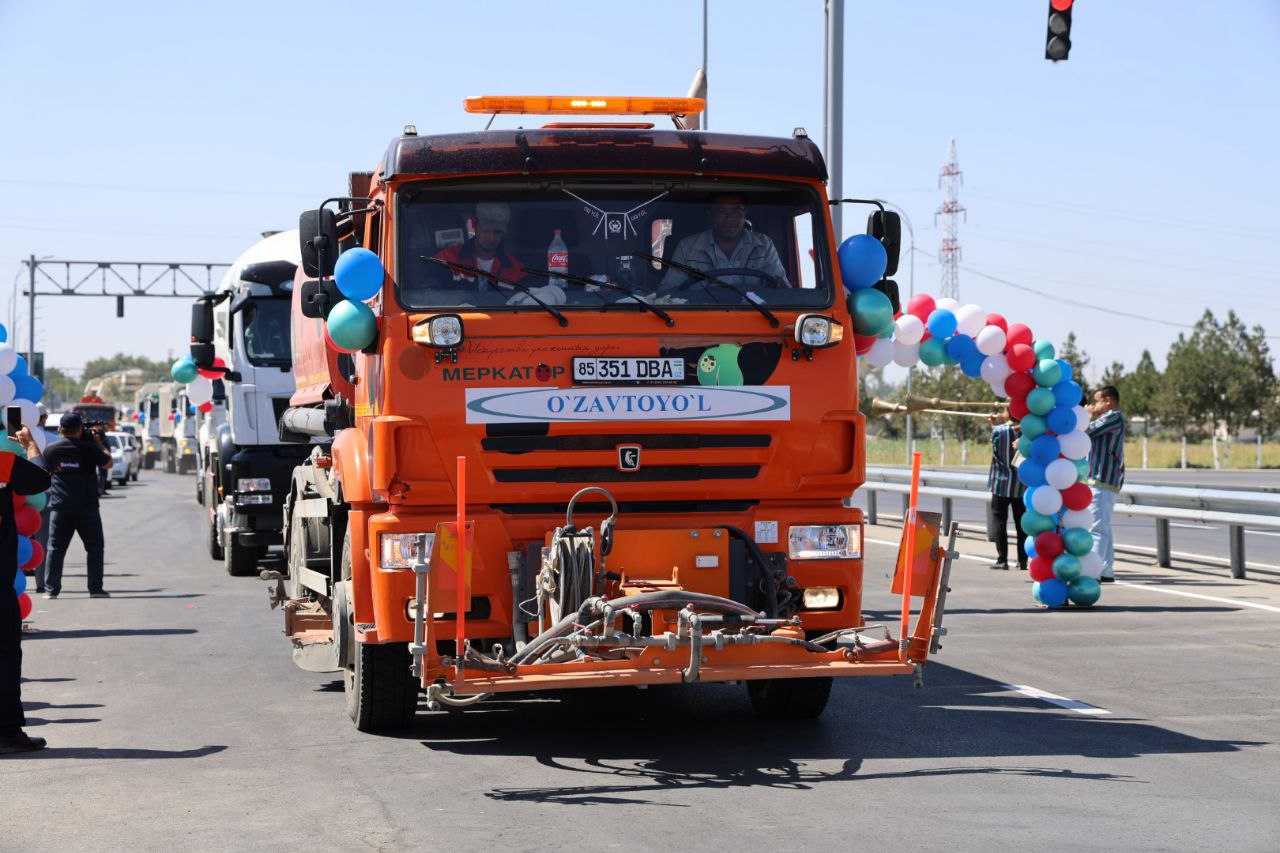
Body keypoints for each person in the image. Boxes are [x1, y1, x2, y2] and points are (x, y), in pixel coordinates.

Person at [1, 426, 53, 754]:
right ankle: (7, 731)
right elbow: (40, 479)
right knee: (5, 656)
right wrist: (31, 445)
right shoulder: (3, 463)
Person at [37, 412, 112, 599]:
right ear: (79, 429)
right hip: (87, 507)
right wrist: (98, 442)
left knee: (55, 548)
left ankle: (51, 590)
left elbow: (43, 470)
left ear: (61, 430)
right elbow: (108, 463)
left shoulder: (51, 450)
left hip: (60, 507)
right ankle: (95, 589)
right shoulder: (90, 448)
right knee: (94, 547)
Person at [659, 193, 789, 289]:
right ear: (710, 214)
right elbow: (669, 291)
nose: (729, 218)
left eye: (736, 210)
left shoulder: (764, 245)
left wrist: (778, 286)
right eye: (721, 210)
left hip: (757, 318)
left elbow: (782, 289)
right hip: (701, 320)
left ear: (745, 214)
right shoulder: (687, 247)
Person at [1086, 385, 1126, 583]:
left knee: (1096, 529)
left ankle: (1092, 573)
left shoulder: (1113, 417)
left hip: (1102, 479)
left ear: (1108, 401)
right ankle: (1105, 570)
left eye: (1097, 401)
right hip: (1102, 480)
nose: (1094, 405)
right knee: (1104, 528)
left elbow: (1087, 431)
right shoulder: (1110, 418)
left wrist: (1085, 415)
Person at [987, 408, 1027, 571]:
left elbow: (994, 441)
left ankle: (1002, 559)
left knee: (999, 522)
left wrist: (993, 424)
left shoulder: (999, 431)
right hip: (1021, 485)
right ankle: (1022, 561)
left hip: (1001, 484)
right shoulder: (1028, 431)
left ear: (1009, 414)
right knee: (1021, 524)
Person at [31, 405, 55, 594]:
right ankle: (41, 583)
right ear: (45, 418)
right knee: (42, 540)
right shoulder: (54, 440)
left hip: (17, 497)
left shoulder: (14, 438)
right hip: (45, 495)